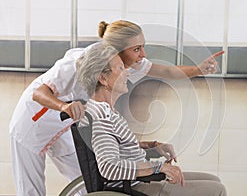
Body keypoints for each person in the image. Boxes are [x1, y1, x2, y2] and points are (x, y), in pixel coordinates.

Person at [9, 19, 223, 196]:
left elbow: (164, 72)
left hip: (69, 125)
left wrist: (198, 69)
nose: (143, 54)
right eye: (137, 49)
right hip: (34, 123)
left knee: (87, 184)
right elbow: (39, 93)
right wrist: (63, 106)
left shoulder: (122, 67)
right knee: (31, 191)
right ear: (117, 53)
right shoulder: (79, 63)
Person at [76, 42, 227, 196]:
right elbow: (110, 167)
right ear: (103, 78)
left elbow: (120, 148)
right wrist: (158, 167)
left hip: (142, 178)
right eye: (121, 68)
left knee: (214, 180)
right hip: (135, 187)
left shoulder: (105, 110)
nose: (127, 73)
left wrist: (153, 147)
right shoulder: (102, 119)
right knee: (217, 190)